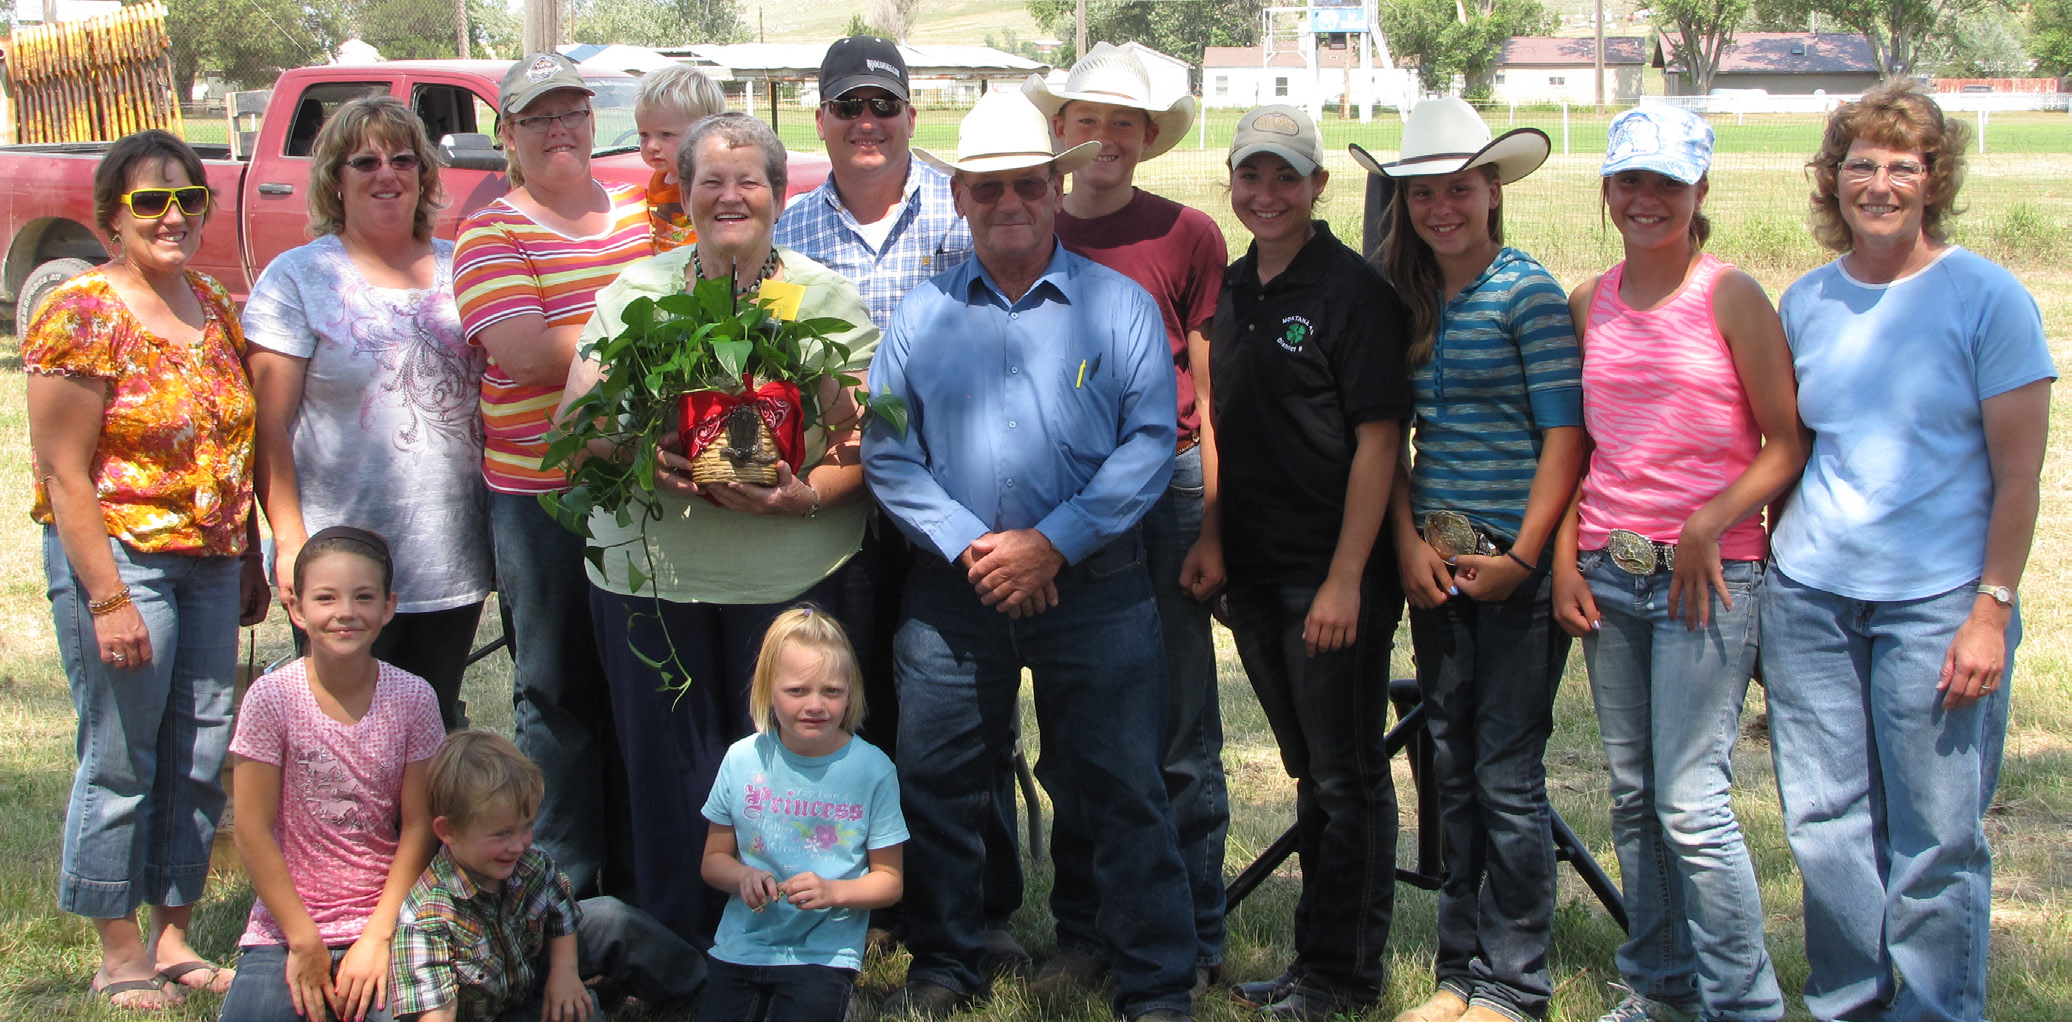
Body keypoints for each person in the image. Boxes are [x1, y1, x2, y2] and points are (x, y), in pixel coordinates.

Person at [859, 88, 1195, 1022]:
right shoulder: (921, 317)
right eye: (990, 189)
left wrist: (1051, 544)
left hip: (1096, 587)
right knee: (939, 785)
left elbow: (1149, 439)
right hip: (956, 591)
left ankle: (1157, 981)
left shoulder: (1119, 307)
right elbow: (888, 452)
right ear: (961, 196)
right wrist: (980, 548)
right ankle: (946, 965)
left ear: (1056, 187)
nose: (1011, 204)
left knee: (1125, 786)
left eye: (1029, 187)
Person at [1761, 81, 2054, 1022]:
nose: (1879, 183)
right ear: (1831, 178)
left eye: (1903, 165)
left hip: (1939, 602)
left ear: (1933, 182)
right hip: (1811, 599)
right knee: (1825, 827)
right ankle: (1847, 1003)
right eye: (1861, 163)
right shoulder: (1804, 302)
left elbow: (2020, 478)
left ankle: (1933, 1009)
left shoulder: (1987, 298)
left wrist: (1990, 612)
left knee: (1936, 840)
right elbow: (1792, 452)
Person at [559, 111, 881, 947]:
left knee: (784, 778)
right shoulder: (639, 294)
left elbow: (862, 443)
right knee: (669, 779)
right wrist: (643, 454)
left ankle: (782, 948)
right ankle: (674, 955)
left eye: (750, 181)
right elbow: (576, 420)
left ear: (779, 196)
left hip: (786, 579)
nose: (730, 195)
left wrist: (805, 495)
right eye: (711, 180)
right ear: (685, 194)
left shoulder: (819, 299)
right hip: (652, 578)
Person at [1550, 105, 1803, 1022]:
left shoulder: (1731, 296)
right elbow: (1578, 447)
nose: (1646, 200)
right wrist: (1568, 561)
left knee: (1692, 803)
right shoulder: (1592, 300)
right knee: (1631, 795)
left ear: (1701, 192)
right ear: (1607, 191)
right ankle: (1663, 989)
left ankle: (1744, 1003)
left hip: (1710, 578)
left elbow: (1786, 441)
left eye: (1667, 183)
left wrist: (1713, 520)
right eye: (1631, 182)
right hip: (1610, 574)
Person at [771, 39, 1011, 968]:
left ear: (912, 114)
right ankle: (864, 893)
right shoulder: (790, 231)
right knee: (851, 695)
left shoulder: (963, 208)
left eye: (883, 104)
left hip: (949, 498)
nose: (866, 122)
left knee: (962, 711)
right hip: (834, 502)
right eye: (847, 107)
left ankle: (978, 904)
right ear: (822, 121)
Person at [25, 128, 268, 1011]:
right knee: (122, 754)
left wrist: (246, 556)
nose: (173, 215)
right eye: (150, 200)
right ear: (110, 217)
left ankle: (172, 934)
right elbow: (62, 469)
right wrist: (108, 598)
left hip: (209, 562)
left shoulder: (210, 300)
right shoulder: (83, 309)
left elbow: (232, 442)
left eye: (188, 198)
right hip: (121, 559)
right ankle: (117, 946)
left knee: (202, 750)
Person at [1360, 97, 1582, 1022]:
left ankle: (1515, 980)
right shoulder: (1404, 298)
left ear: (1492, 191)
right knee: (1452, 761)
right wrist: (1408, 544)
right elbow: (1399, 435)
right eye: (1422, 194)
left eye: (1459, 189)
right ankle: (1460, 971)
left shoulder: (1526, 293)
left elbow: (1565, 439)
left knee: (1506, 771)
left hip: (1513, 568)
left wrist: (1527, 559)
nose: (1440, 209)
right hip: (1438, 564)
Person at [1020, 41, 1231, 1003]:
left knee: (1179, 721)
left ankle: (1195, 924)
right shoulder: (1027, 218)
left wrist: (1214, 525)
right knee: (1077, 724)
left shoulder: (1187, 235)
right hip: (1068, 498)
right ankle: (1087, 926)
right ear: (1058, 131)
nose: (1102, 137)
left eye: (1122, 122)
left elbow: (1209, 388)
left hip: (1172, 486)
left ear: (1149, 137)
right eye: (1085, 119)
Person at [1204, 105, 1412, 1022]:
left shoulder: (1354, 293)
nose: (1267, 193)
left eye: (1286, 176)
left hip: (1330, 575)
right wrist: (1212, 536)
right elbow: (1221, 418)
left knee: (1348, 775)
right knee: (1311, 772)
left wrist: (1343, 579)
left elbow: (1379, 441)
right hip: (1252, 570)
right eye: (1253, 175)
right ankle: (1311, 963)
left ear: (1319, 186)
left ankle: (1345, 976)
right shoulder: (1234, 286)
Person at [453, 51, 649, 900]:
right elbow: (526, 353)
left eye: (572, 111)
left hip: (653, 485)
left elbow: (712, 293)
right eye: (537, 117)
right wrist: (646, 326)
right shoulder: (490, 231)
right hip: (541, 496)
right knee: (557, 686)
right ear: (508, 136)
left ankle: (646, 877)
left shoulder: (649, 211)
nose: (558, 130)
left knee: (642, 683)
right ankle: (563, 883)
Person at [246, 95, 489, 731]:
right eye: (365, 161)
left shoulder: (460, 267)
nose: (387, 173)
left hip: (450, 555)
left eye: (404, 159)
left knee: (429, 724)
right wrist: (291, 540)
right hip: (340, 565)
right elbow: (268, 427)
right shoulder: (297, 278)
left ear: (425, 175)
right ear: (334, 178)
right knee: (341, 733)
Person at [219, 527, 443, 1022]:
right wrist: (302, 940)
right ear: (297, 609)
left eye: (364, 597)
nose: (345, 612)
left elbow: (419, 825)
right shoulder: (271, 698)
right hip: (287, 927)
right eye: (326, 598)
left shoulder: (414, 698)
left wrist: (380, 935)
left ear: (389, 607)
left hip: (387, 918)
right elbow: (252, 831)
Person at [389, 731, 705, 1022]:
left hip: (531, 969)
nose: (519, 844)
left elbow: (560, 912)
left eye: (526, 826)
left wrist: (563, 973)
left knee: (612, 918)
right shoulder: (426, 920)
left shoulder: (527, 864)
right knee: (585, 1011)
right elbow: (437, 1015)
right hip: (488, 1014)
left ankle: (701, 989)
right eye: (501, 834)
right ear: (448, 831)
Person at [698, 606, 907, 1022]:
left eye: (832, 691)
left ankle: (847, 1006)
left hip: (823, 953)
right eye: (797, 691)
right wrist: (742, 877)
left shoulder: (873, 769)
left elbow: (890, 882)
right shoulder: (741, 760)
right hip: (742, 944)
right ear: (767, 691)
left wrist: (833, 892)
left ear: (851, 692)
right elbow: (712, 861)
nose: (815, 705)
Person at [634, 63, 726, 253]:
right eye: (644, 135)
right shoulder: (660, 178)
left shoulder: (709, 181)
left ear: (705, 133)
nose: (651, 146)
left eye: (666, 134)